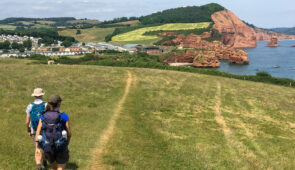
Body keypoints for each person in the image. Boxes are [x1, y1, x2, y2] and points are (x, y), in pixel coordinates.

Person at [35, 94, 71, 170]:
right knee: (60, 167)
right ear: (58, 103)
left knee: (53, 167)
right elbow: (69, 133)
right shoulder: (63, 115)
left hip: (47, 146)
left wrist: (37, 147)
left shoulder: (43, 116)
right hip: (61, 145)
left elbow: (38, 132)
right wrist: (67, 143)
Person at [26, 88, 47, 170]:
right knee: (45, 146)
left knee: (37, 147)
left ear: (34, 96)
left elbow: (27, 121)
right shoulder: (46, 105)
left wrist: (28, 129)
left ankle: (38, 165)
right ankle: (45, 161)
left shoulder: (30, 106)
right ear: (42, 95)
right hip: (45, 129)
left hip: (34, 130)